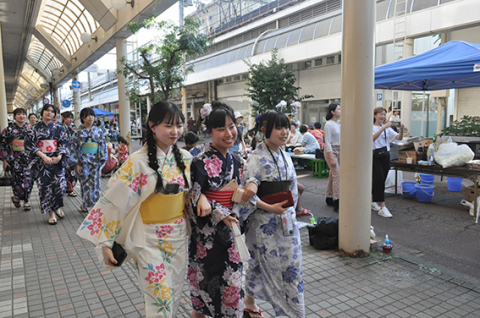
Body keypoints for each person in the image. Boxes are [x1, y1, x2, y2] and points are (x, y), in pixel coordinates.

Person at [77, 100, 192, 317]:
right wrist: (105, 241)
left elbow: (192, 196)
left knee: (175, 293)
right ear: (152, 126)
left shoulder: (185, 158)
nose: (175, 131)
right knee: (160, 299)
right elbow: (115, 201)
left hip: (177, 237)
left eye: (179, 125)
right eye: (168, 125)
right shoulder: (137, 162)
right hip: (148, 240)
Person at [188, 102, 257, 318]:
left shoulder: (237, 160)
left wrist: (251, 186)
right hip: (207, 237)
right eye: (221, 129)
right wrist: (219, 211)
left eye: (232, 126)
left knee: (232, 287)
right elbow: (194, 197)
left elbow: (246, 188)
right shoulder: (199, 161)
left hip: (232, 233)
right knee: (204, 285)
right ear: (209, 132)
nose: (229, 133)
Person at [236, 110, 305, 318]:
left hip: (286, 221)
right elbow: (246, 194)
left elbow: (292, 186)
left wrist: (289, 210)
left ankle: (249, 300)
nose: (285, 132)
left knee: (290, 266)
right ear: (265, 130)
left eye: (287, 127)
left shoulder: (285, 154)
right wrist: (269, 207)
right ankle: (290, 312)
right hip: (264, 223)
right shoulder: (256, 157)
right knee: (271, 267)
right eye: (279, 127)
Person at [25, 104, 69, 225]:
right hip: (41, 162)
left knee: (60, 187)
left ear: (55, 114)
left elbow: (64, 143)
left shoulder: (60, 128)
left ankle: (57, 207)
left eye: (52, 111)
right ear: (42, 112)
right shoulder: (33, 128)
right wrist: (43, 156)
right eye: (47, 110)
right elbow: (29, 145)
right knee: (45, 188)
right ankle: (51, 213)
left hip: (56, 161)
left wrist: (59, 157)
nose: (49, 113)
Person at [71, 108, 108, 213]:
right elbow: (73, 147)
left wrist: (102, 160)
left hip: (96, 161)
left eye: (92, 115)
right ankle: (85, 204)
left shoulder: (98, 131)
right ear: (83, 118)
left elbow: (102, 145)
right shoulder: (78, 132)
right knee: (85, 183)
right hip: (83, 161)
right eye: (87, 115)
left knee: (96, 183)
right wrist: (77, 163)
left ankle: (96, 204)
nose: (90, 117)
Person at [0, 108, 35, 211]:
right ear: (14, 116)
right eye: (19, 114)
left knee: (29, 180)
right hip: (14, 160)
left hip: (28, 159)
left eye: (24, 114)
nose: (21, 116)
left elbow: (34, 144)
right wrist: (5, 160)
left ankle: (27, 201)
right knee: (17, 181)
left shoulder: (30, 129)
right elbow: (3, 145)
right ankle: (16, 197)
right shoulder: (8, 130)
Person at [372, 107, 404, 218]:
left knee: (381, 179)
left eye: (384, 114)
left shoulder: (387, 129)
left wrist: (401, 131)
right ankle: (383, 206)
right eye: (381, 114)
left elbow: (398, 138)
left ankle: (372, 200)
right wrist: (383, 127)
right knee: (379, 180)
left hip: (386, 155)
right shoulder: (371, 127)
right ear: (374, 115)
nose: (383, 116)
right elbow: (372, 138)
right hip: (375, 156)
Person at [324, 103, 341, 212]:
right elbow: (327, 142)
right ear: (332, 111)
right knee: (337, 175)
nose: (341, 110)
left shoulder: (340, 123)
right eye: (339, 109)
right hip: (331, 151)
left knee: (333, 174)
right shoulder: (328, 124)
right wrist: (331, 157)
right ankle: (337, 201)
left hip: (340, 149)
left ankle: (329, 197)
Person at [61, 111, 78, 198]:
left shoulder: (73, 127)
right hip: (63, 153)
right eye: (68, 117)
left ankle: (71, 189)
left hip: (72, 153)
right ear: (63, 117)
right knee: (63, 172)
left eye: (71, 118)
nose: (70, 120)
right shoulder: (60, 127)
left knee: (73, 172)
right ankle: (63, 189)